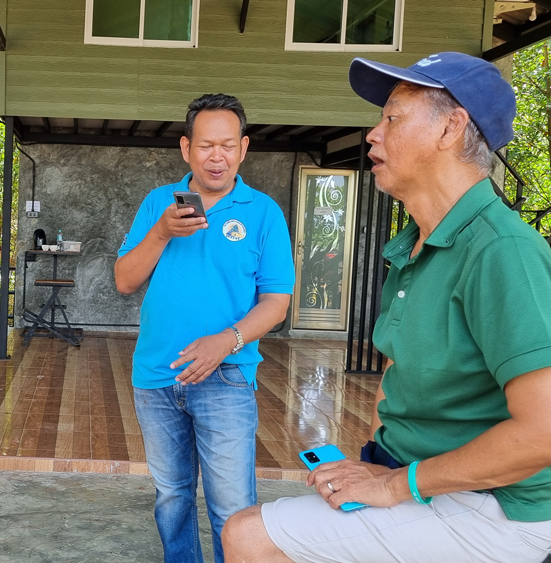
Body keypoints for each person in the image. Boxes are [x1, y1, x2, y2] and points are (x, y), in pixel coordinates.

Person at [222, 53, 551, 563]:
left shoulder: (501, 250)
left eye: (392, 118)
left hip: (501, 508)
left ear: (450, 127)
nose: (373, 134)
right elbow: (401, 373)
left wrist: (397, 485)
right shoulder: (415, 246)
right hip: (429, 479)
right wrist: (381, 466)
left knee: (249, 534)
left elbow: (542, 434)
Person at [115, 93, 295, 563]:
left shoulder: (263, 212)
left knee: (233, 508)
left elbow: (277, 302)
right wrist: (161, 232)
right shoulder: (159, 203)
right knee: (172, 497)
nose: (218, 156)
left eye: (228, 145)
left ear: (244, 148)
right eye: (206, 145)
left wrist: (227, 341)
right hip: (157, 376)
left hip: (227, 378)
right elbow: (124, 281)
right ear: (186, 148)